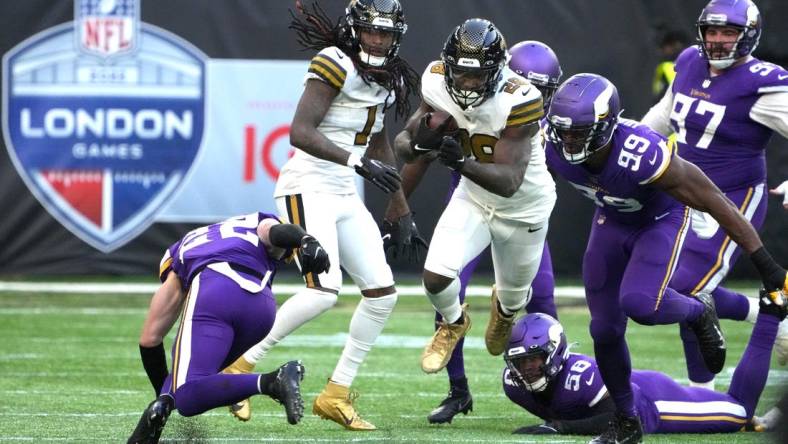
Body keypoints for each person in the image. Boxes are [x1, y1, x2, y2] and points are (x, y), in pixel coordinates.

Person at [543, 72, 788, 444]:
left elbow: (712, 199)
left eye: (580, 131)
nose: (569, 140)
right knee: (604, 330)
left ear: (606, 125)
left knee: (640, 303)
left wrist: (764, 261)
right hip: (611, 219)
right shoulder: (547, 140)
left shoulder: (642, 153)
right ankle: (626, 421)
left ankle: (697, 309)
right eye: (564, 131)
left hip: (660, 218)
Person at [220, 0, 419, 431]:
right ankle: (238, 367)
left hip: (344, 192)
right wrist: (357, 162)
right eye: (370, 31)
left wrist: (399, 204)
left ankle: (336, 393)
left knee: (383, 293)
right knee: (324, 290)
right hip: (306, 185)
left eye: (385, 33)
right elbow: (300, 131)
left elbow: (378, 139)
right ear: (354, 30)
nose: (377, 39)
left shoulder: (386, 76)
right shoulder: (333, 62)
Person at [382, 40, 563, 425]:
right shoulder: (442, 83)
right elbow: (410, 145)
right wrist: (415, 152)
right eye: (461, 72)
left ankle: (545, 377)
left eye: (546, 89)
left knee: (537, 298)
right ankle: (457, 383)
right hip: (473, 197)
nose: (466, 82)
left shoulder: (522, 103)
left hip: (524, 207)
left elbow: (514, 180)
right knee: (441, 279)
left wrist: (459, 161)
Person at [641, 0, 788, 388]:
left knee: (688, 288)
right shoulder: (688, 60)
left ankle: (700, 393)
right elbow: (662, 115)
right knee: (661, 283)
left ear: (749, 36)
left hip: (733, 197)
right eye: (712, 31)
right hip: (682, 192)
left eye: (729, 33)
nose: (718, 41)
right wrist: (633, 149)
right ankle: (772, 315)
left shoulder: (763, 81)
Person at [126, 212, 331, 444]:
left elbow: (150, 338)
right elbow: (272, 232)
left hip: (217, 293)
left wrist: (161, 393)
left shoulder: (183, 250)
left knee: (188, 395)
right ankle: (162, 407)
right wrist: (305, 239)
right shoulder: (251, 223)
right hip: (261, 311)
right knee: (193, 377)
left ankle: (271, 381)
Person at [501, 287, 786, 437]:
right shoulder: (514, 385)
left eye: (534, 359)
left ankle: (772, 309)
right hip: (635, 389)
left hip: (653, 404)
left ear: (554, 352)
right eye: (521, 361)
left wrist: (560, 427)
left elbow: (629, 417)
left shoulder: (582, 377)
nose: (527, 368)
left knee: (739, 412)